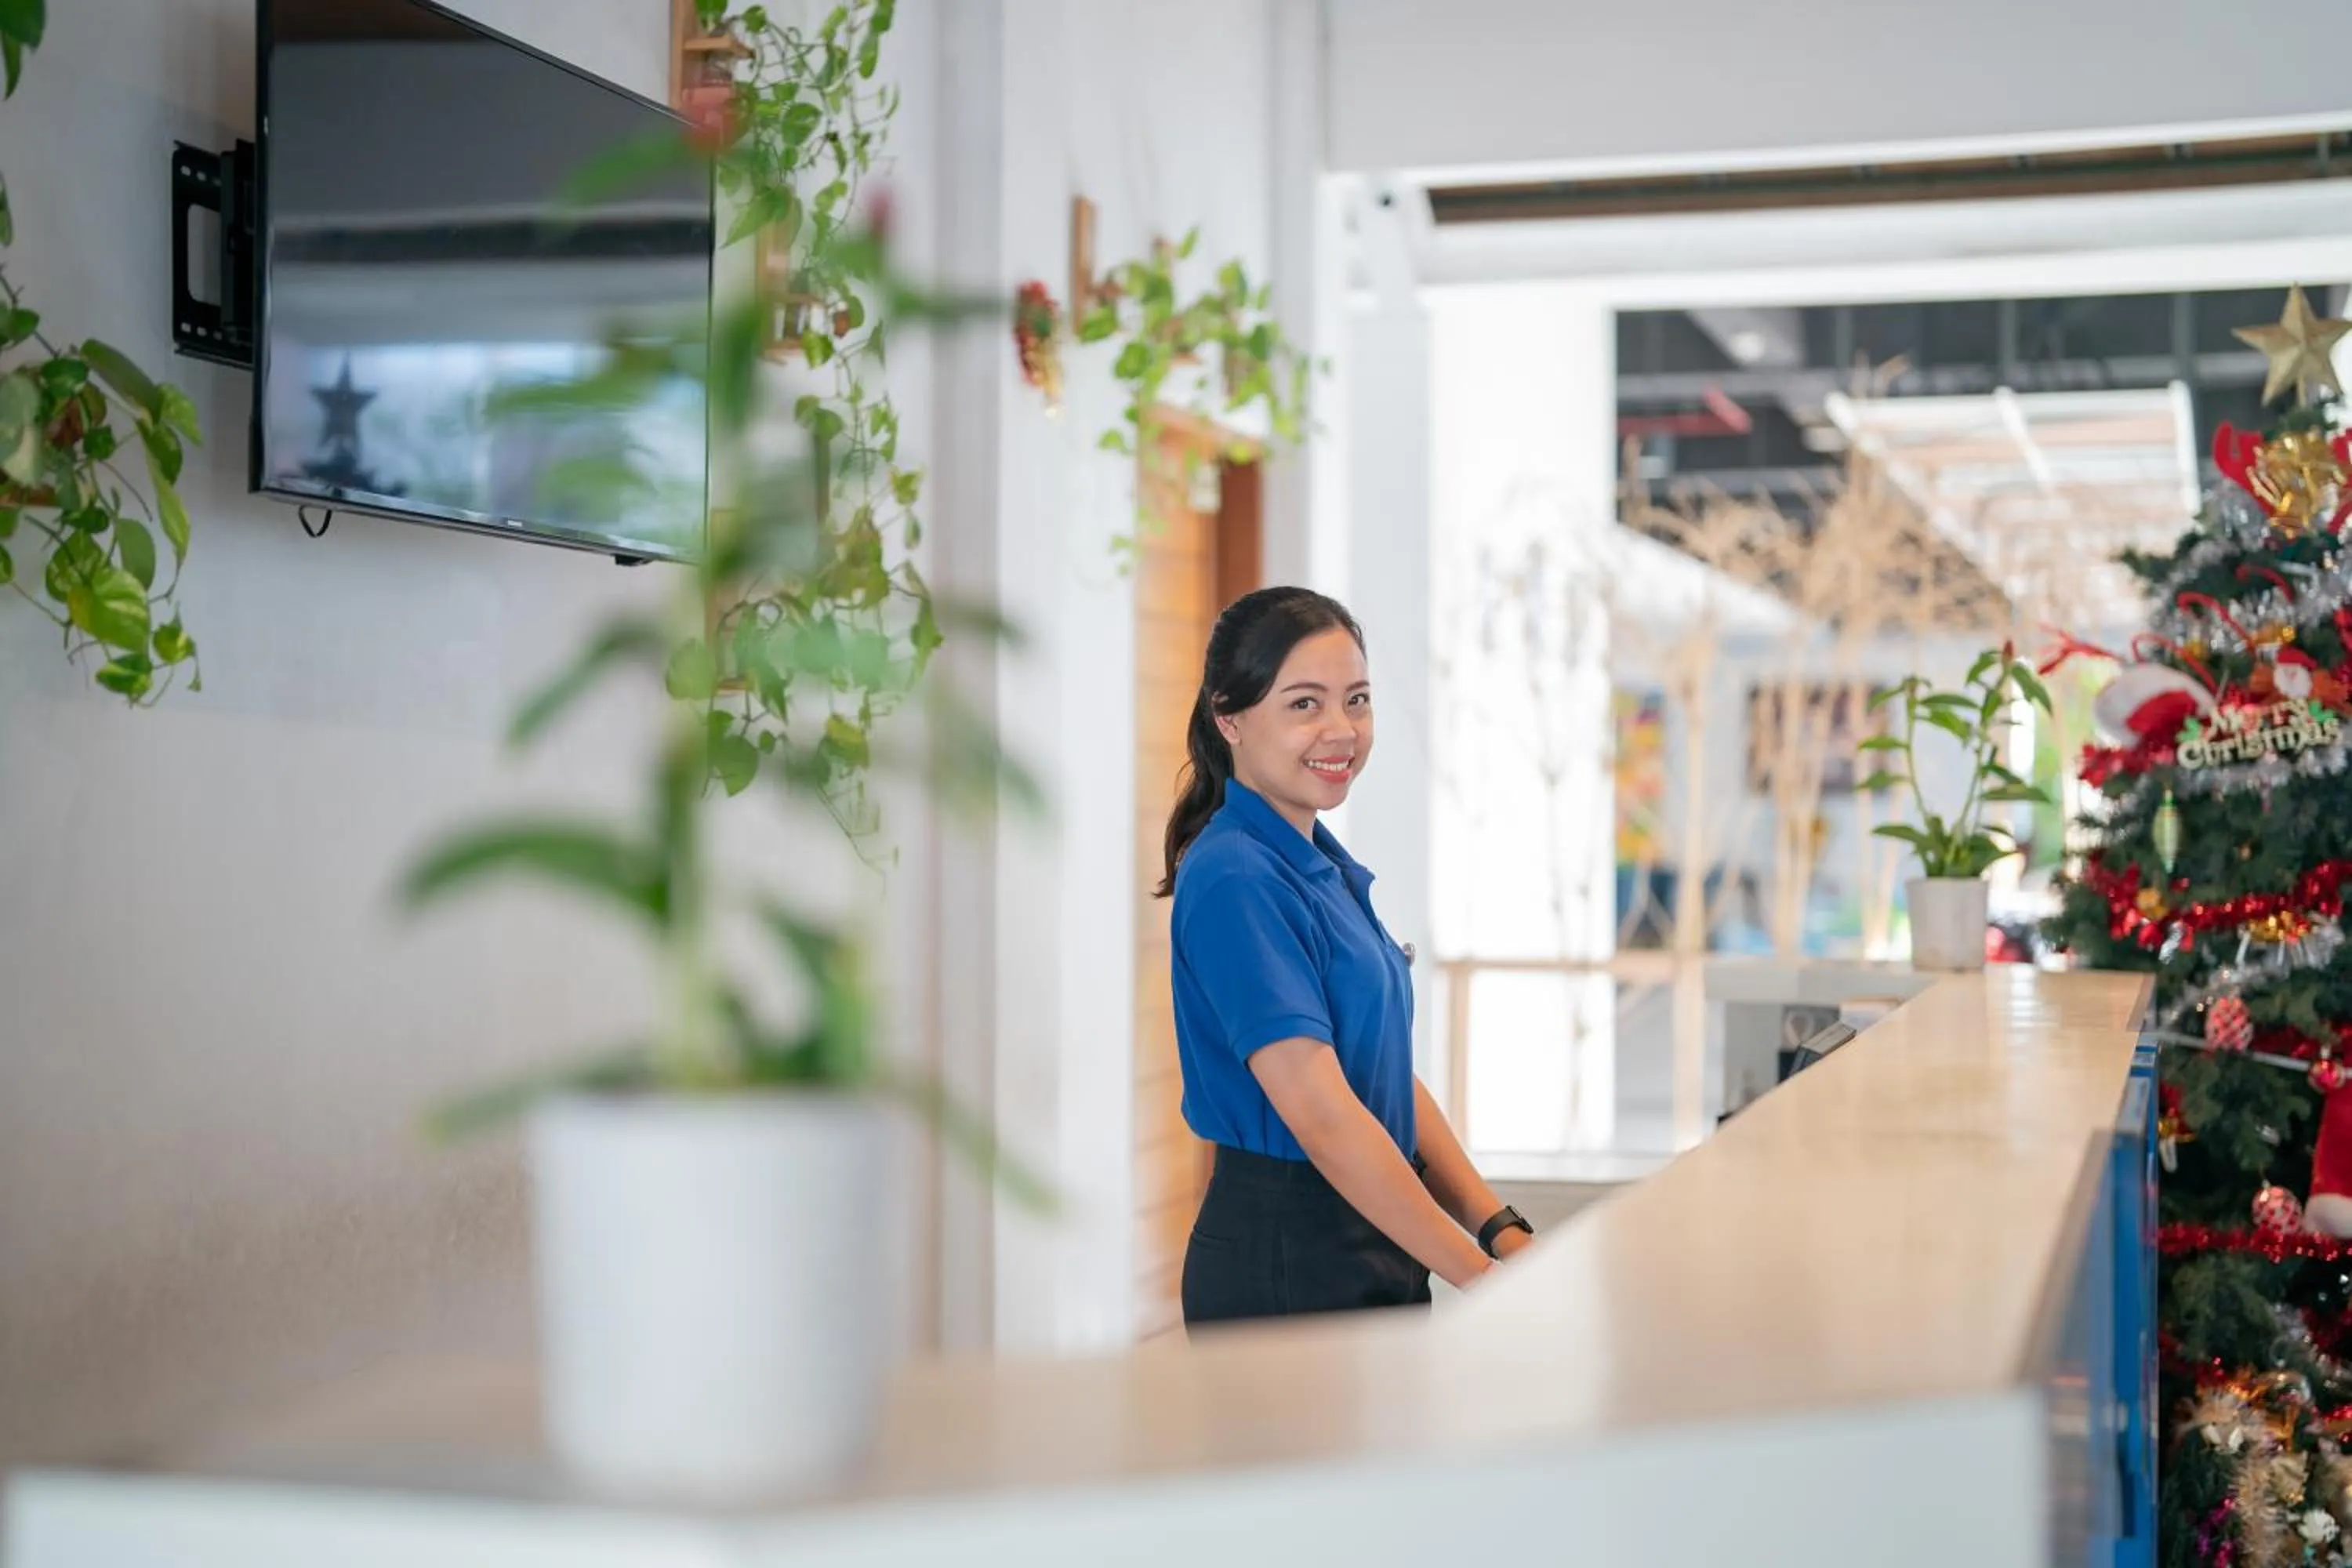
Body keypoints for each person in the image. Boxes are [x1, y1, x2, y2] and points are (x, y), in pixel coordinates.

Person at [1159, 586, 1534, 1328]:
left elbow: (1379, 1075)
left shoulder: (1314, 863)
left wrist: (1497, 1226)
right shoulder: (1237, 875)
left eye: (1356, 700)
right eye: (1304, 704)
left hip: (1369, 1230)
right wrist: (1482, 1279)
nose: (1341, 730)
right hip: (1289, 1257)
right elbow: (1326, 1120)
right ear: (1228, 716)